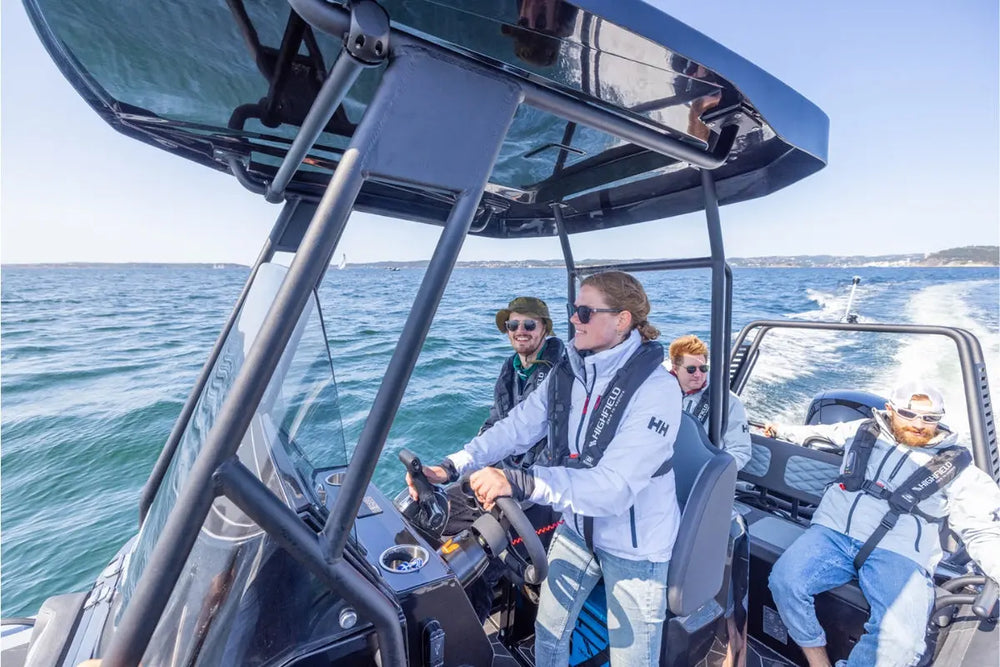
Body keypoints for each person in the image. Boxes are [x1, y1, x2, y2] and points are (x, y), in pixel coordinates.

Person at [408, 271, 681, 667]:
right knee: (549, 636)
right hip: (578, 527)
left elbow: (615, 488)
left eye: (585, 312)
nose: (574, 319)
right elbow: (516, 427)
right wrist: (452, 466)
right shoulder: (571, 372)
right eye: (574, 311)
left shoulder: (657, 390)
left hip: (635, 546)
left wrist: (520, 482)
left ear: (621, 320)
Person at [764, 381, 1000, 667]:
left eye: (929, 418)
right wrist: (778, 429)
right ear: (889, 409)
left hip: (899, 553)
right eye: (908, 414)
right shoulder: (862, 430)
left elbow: (981, 528)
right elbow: (819, 432)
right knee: (785, 582)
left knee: (902, 644)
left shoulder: (958, 466)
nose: (919, 424)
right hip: (833, 534)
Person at [667, 334, 752, 470]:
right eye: (691, 369)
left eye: (703, 369)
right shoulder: (659, 393)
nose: (698, 374)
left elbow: (741, 451)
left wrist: (710, 474)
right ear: (675, 369)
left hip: (700, 472)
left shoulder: (728, 401)